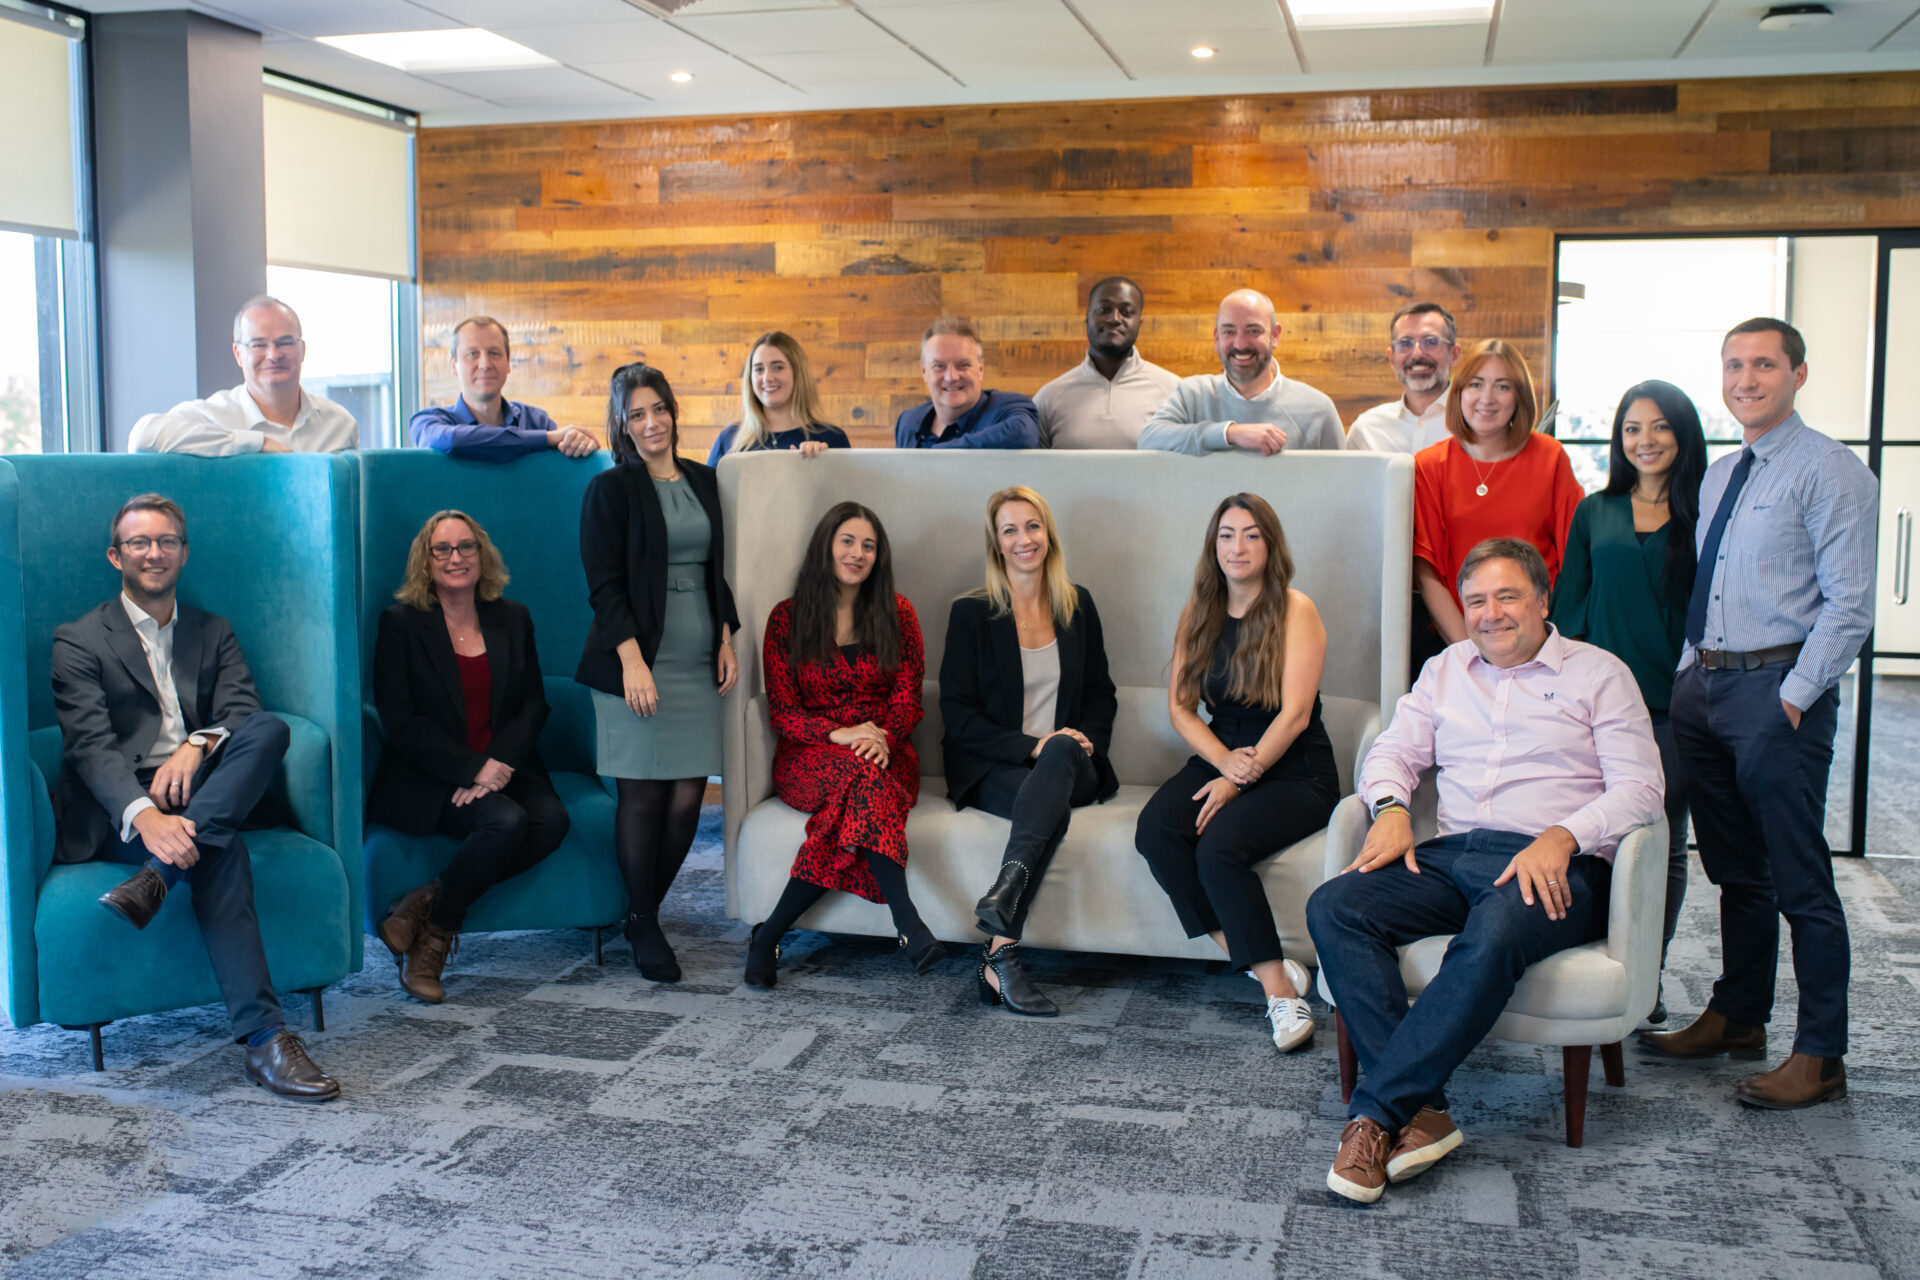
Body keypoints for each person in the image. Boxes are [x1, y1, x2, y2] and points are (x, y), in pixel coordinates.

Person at [1307, 538, 1663, 1203]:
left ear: (1543, 601)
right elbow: (1392, 753)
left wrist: (1564, 835)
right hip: (1455, 854)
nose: (1490, 613)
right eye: (1475, 600)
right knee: (1335, 905)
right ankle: (1427, 1112)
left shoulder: (1599, 674)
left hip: (1556, 864)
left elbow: (1642, 789)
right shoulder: (1445, 670)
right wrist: (1390, 808)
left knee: (1497, 928)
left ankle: (1375, 1116)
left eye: (1507, 596)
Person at [1639, 318, 1878, 1111]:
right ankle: (1739, 1015)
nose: (1747, 379)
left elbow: (1850, 607)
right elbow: (1710, 582)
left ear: (1798, 375)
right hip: (1706, 688)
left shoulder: (1831, 470)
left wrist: (1795, 696)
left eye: (1765, 365)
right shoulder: (1720, 474)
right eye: (1735, 364)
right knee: (1735, 869)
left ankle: (1821, 1054)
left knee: (1800, 878)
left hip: (1778, 691)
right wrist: (1689, 672)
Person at [48, 494, 339, 1100]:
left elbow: (243, 711)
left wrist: (196, 745)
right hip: (124, 804)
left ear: (184, 552)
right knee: (220, 851)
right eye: (139, 542)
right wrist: (147, 818)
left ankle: (157, 878)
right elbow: (90, 748)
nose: (154, 553)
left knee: (269, 728)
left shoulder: (213, 630)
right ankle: (266, 1039)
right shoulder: (79, 639)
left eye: (167, 541)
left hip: (204, 786)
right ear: (116, 556)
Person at [1134, 494, 1339, 1054]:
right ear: (1213, 545)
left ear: (1270, 545)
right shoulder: (1198, 612)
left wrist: (1240, 777)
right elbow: (1180, 709)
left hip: (1295, 768)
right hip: (1224, 752)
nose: (1238, 547)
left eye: (1251, 535)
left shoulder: (1296, 609)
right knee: (1156, 831)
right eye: (1227, 535)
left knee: (1218, 848)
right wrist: (1224, 762)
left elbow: (1296, 715)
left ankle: (1281, 995)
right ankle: (1257, 959)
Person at [576, 363, 740, 984]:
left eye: (659, 409)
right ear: (623, 425)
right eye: (637, 415)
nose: (652, 423)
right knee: (644, 795)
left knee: (687, 800)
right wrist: (632, 662)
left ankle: (639, 910)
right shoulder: (610, 488)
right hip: (637, 659)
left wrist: (725, 636)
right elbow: (604, 585)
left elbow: (718, 570)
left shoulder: (705, 480)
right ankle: (644, 922)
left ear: (673, 411)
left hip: (699, 658)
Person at [1550, 380, 1707, 1026]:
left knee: (1659, 842)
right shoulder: (1596, 512)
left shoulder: (1704, 512)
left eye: (1660, 426)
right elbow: (1569, 612)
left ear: (1684, 434)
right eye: (1632, 429)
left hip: (1677, 705)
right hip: (1601, 707)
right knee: (1592, 833)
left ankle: (1647, 972)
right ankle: (1588, 962)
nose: (1646, 440)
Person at [368, 510, 570, 1004]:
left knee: (552, 820)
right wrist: (471, 768)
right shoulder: (400, 624)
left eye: (465, 547)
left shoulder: (513, 617)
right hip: (429, 773)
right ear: (426, 561)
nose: (455, 558)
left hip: (504, 764)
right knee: (505, 822)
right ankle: (434, 943)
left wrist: (495, 767)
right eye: (442, 549)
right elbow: (400, 721)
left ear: (482, 556)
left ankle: (427, 904)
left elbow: (532, 705)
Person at [940, 487, 1118, 1016]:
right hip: (997, 765)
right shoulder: (971, 614)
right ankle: (1000, 956)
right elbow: (957, 713)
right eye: (1010, 530)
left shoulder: (1078, 604)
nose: (1024, 539)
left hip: (1073, 763)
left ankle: (1004, 897)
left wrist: (1082, 741)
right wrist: (1031, 746)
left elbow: (1101, 694)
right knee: (1045, 802)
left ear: (1049, 535)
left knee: (1059, 756)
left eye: (1033, 526)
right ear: (996, 544)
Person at [745, 503, 938, 986]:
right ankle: (907, 921)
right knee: (864, 780)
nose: (858, 553)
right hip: (809, 756)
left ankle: (769, 936)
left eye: (868, 546)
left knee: (862, 787)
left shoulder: (899, 613)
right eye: (847, 541)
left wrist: (882, 738)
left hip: (887, 754)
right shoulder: (786, 618)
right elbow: (784, 712)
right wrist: (839, 734)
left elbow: (908, 699)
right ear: (826, 547)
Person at [1412, 339, 1582, 651]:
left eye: (1502, 386)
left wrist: (1545, 644)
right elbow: (1427, 574)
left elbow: (1575, 559)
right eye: (1476, 384)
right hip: (1459, 640)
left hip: (1539, 638)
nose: (1487, 398)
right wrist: (1471, 654)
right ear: (1459, 392)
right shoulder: (1429, 466)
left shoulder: (1550, 457)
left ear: (1519, 396)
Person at [129, 296, 358, 455]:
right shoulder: (214, 415)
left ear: (302, 350)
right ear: (238, 354)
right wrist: (256, 443)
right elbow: (143, 436)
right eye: (258, 344)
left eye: (285, 342)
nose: (273, 354)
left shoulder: (340, 423)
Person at [1138, 289, 1342, 455]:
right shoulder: (1192, 395)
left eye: (1253, 331)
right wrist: (1229, 433)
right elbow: (1148, 439)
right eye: (1229, 331)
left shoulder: (1317, 409)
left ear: (1275, 335)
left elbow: (1341, 482)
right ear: (1217, 338)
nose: (1240, 344)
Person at [409, 316, 598, 461]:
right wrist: (545, 439)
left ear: (508, 363)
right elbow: (454, 441)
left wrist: (581, 444)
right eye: (472, 354)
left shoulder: (537, 421)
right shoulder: (427, 422)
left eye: (494, 353)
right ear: (454, 366)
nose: (485, 364)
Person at [1033, 277, 1180, 449]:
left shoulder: (1174, 392)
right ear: (1087, 317)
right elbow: (1031, 465)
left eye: (1126, 311)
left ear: (1139, 323)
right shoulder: (1049, 398)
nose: (1114, 319)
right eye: (1104, 309)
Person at [706, 331, 852, 464]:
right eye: (759, 369)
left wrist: (822, 463)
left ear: (798, 373)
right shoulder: (729, 439)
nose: (767, 377)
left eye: (778, 367)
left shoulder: (831, 438)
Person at [893, 318, 1039, 450]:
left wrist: (935, 454)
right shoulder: (907, 421)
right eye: (939, 366)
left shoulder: (1008, 409)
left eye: (963, 365)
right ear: (924, 371)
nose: (951, 377)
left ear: (980, 369)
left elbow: (1023, 434)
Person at [1344, 302, 1459, 454]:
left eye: (1431, 342)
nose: (1417, 354)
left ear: (1454, 354)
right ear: (1391, 358)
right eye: (1405, 343)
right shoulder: (1366, 431)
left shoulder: (1479, 425)